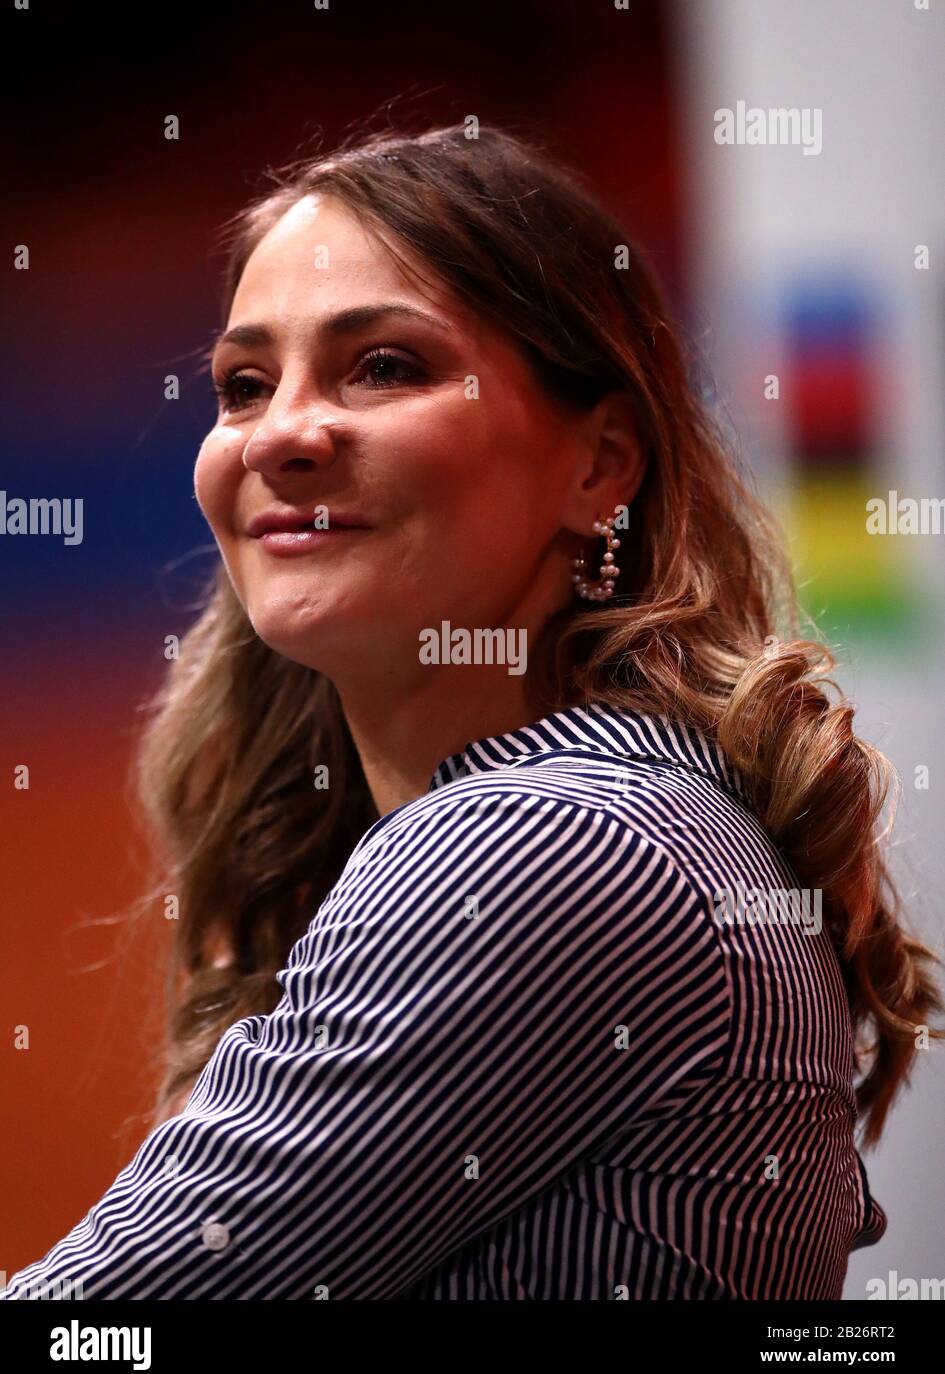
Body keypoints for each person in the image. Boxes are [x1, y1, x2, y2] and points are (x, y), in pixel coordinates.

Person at [2, 122, 941, 1300]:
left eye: (384, 366)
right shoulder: (625, 812)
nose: (285, 429)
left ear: (600, 466)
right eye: (245, 384)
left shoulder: (535, 845)